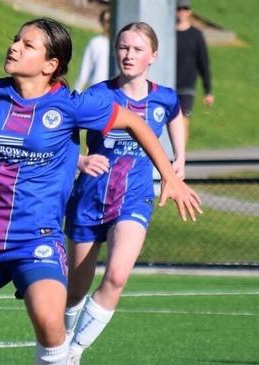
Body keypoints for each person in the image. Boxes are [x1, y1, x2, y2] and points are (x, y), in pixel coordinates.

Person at [0, 17, 201, 365]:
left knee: (51, 325)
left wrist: (170, 174)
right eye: (16, 40)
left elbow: (133, 121)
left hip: (35, 240)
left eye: (28, 45)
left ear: (50, 65)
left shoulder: (73, 105)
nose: (14, 47)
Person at [63, 22, 191, 364]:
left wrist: (180, 157)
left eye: (137, 49)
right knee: (75, 290)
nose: (128, 55)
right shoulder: (98, 96)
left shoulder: (163, 97)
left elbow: (177, 114)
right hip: (89, 198)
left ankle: (74, 353)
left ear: (153, 56)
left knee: (117, 275)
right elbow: (56, 130)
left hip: (134, 197)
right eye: (123, 47)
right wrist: (80, 160)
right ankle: (59, 345)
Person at [176, 0, 214, 142]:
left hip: (187, 85)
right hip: (169, 84)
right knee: (169, 120)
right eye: (179, 9)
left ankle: (180, 155)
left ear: (190, 12)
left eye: (185, 9)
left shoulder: (196, 35)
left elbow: (203, 63)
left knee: (183, 119)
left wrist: (208, 91)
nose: (182, 12)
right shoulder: (169, 35)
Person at [74, 9, 110, 92]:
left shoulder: (121, 45)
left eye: (109, 21)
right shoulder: (96, 42)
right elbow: (84, 71)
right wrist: (76, 93)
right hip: (96, 91)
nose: (107, 25)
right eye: (105, 21)